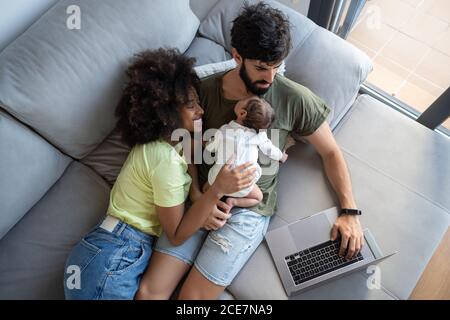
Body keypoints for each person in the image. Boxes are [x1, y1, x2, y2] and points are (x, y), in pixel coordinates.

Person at [137, 2, 363, 300]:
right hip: (203, 195)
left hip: (249, 210)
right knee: (149, 292)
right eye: (260, 68)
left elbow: (331, 152)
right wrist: (197, 196)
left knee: (191, 301)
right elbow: (184, 144)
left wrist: (349, 211)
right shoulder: (201, 92)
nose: (269, 78)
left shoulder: (294, 99)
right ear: (236, 57)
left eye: (275, 66)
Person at [63, 48, 255, 300]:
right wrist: (217, 189)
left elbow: (187, 170)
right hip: (114, 257)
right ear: (166, 112)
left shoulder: (159, 148)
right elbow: (176, 235)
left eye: (198, 102)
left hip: (105, 251)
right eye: (191, 105)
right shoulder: (164, 161)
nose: (201, 110)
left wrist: (201, 200)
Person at [203, 96, 288, 209]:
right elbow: (270, 150)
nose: (241, 98)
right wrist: (282, 157)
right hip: (243, 184)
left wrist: (206, 144)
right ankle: (233, 202)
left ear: (242, 113)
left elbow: (210, 148)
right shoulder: (259, 136)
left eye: (243, 100)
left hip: (218, 179)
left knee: (205, 190)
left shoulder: (224, 130)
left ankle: (215, 203)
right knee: (258, 198)